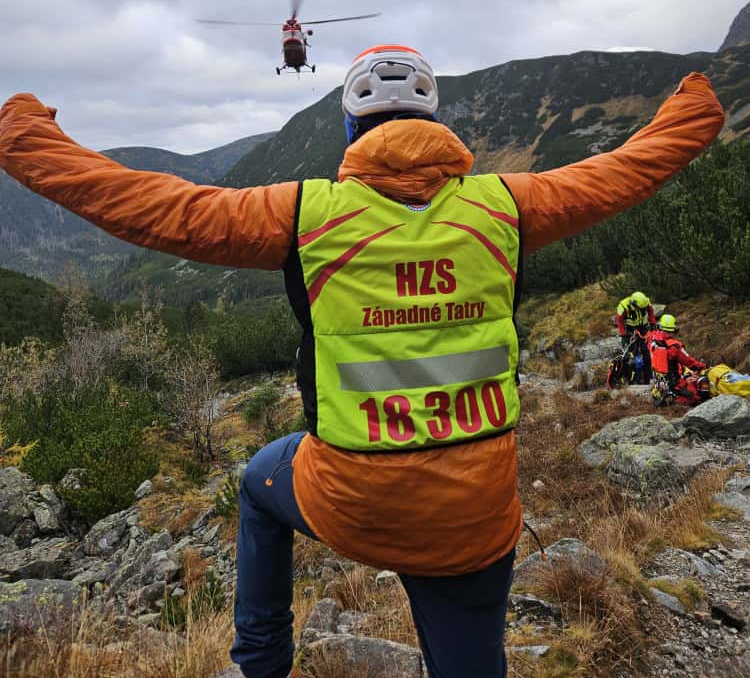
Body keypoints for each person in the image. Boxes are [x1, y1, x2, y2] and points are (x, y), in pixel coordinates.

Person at [0, 51, 724, 678]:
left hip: (349, 498)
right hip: (471, 514)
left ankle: (261, 664)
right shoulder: (508, 205)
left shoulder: (303, 213)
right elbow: (626, 171)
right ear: (440, 126)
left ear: (350, 131)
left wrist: (28, 138)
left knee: (257, 484)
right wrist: (693, 106)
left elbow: (154, 206)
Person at [648, 313, 707, 405]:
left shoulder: (653, 338)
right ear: (673, 329)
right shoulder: (674, 346)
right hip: (674, 385)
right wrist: (703, 366)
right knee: (697, 396)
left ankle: (663, 394)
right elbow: (691, 363)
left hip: (660, 383)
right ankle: (673, 399)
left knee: (687, 374)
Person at [615, 290, 656, 384]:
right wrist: (623, 333)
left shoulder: (645, 301)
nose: (642, 309)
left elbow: (650, 310)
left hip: (643, 328)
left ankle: (648, 377)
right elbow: (619, 320)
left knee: (647, 353)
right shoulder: (624, 305)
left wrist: (653, 323)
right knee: (630, 354)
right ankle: (630, 378)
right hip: (629, 330)